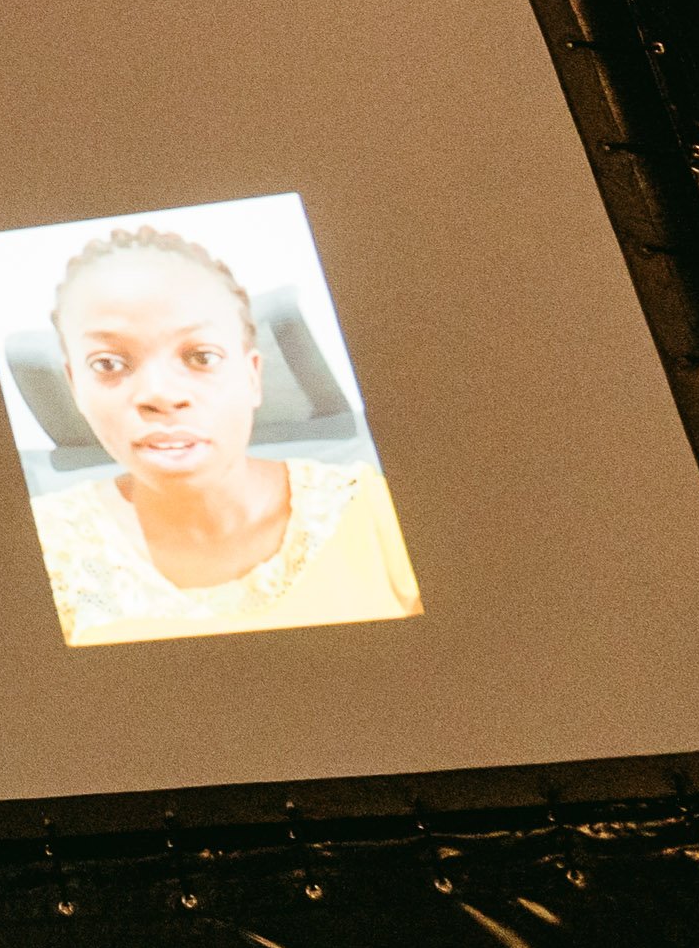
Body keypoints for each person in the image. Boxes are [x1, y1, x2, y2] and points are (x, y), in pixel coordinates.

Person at [26, 226, 417, 645]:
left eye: (201, 357)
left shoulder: (378, 515)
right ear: (74, 388)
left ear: (252, 375)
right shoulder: (44, 549)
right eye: (108, 364)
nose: (160, 394)